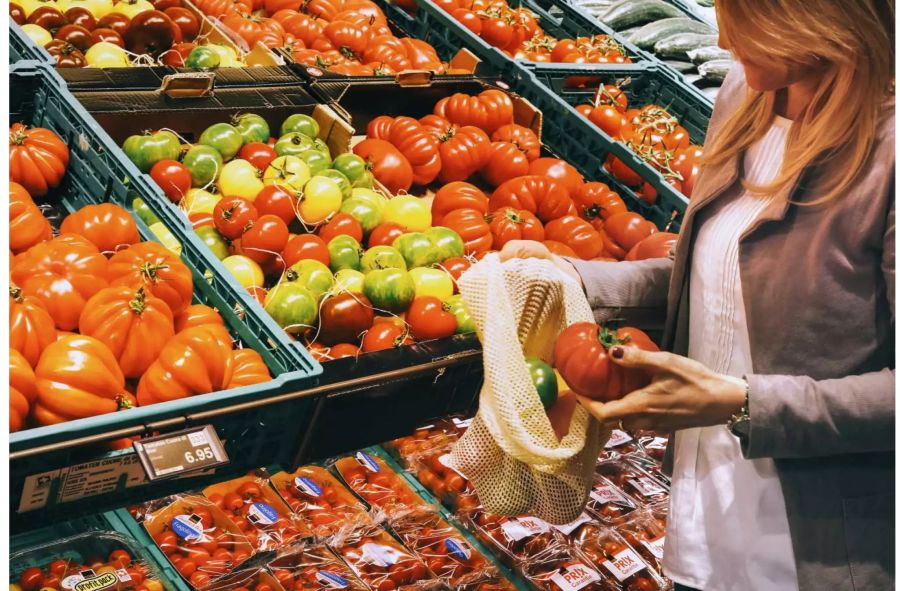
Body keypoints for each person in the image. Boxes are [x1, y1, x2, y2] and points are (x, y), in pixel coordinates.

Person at [500, 0, 895, 589]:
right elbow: (715, 280)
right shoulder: (748, 94)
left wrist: (745, 403)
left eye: (744, 13)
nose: (726, 35)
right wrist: (576, 279)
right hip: (703, 527)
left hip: (814, 556)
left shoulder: (886, 156)